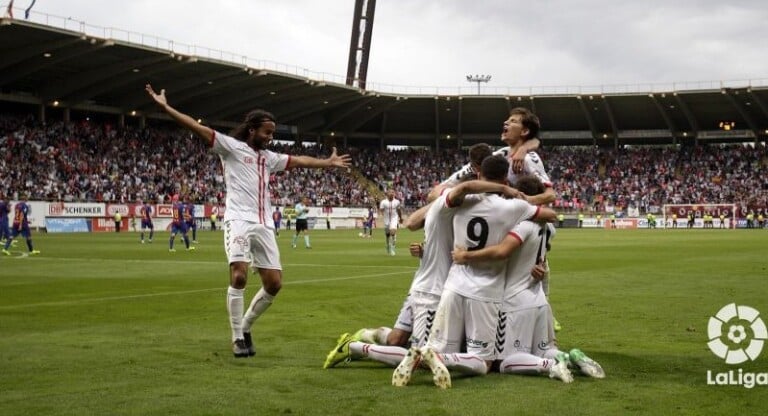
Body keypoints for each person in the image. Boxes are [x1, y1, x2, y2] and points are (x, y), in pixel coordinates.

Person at [146, 84, 351, 358]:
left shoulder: (269, 158)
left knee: (274, 284)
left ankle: (245, 326)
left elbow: (299, 160)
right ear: (252, 130)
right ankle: (236, 338)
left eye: (272, 133)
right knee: (239, 275)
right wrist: (165, 107)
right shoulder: (231, 148)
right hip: (238, 220)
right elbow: (197, 128)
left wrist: (327, 163)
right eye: (267, 132)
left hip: (264, 224)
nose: (270, 137)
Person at [393, 156, 556, 388]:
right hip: (486, 292)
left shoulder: (463, 200)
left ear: (480, 174)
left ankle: (428, 354)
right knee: (484, 361)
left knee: (443, 345)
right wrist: (519, 196)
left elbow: (449, 192)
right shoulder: (514, 208)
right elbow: (550, 216)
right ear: (505, 179)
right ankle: (440, 358)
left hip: (454, 285)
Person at [452, 175, 605, 384]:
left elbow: (502, 252)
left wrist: (466, 256)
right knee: (544, 349)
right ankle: (569, 358)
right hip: (539, 300)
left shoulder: (522, 225)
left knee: (504, 363)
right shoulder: (549, 228)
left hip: (515, 302)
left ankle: (550, 365)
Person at [379, 190, 403, 256]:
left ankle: (393, 248)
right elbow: (381, 210)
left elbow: (399, 210)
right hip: (386, 219)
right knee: (387, 234)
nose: (392, 193)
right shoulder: (383, 202)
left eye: (393, 192)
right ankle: (387, 244)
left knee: (392, 232)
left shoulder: (397, 202)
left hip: (394, 218)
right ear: (387, 194)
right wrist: (382, 214)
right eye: (390, 192)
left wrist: (400, 218)